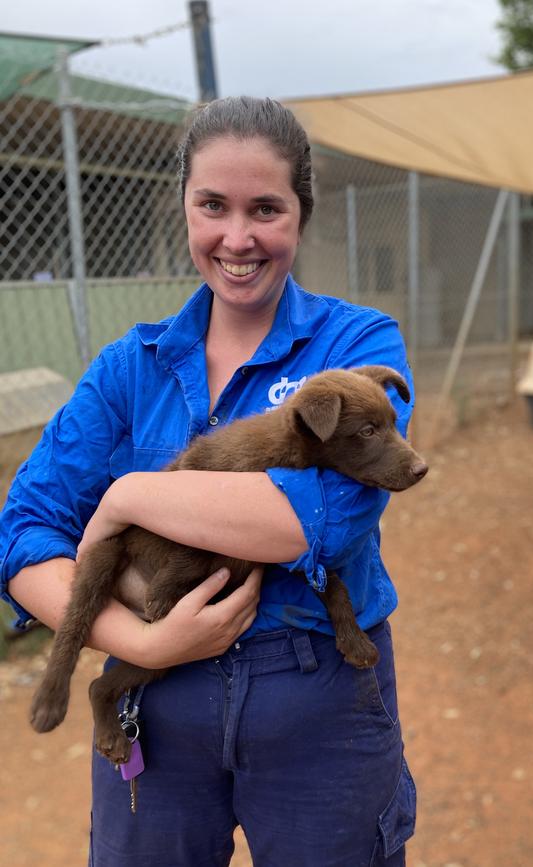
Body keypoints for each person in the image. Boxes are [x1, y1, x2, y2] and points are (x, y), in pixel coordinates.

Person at [0, 96, 416, 866]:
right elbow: (24, 534)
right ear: (185, 209)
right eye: (212, 206)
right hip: (155, 703)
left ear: (301, 214)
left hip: (316, 693)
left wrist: (128, 495)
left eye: (266, 208)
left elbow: (322, 514)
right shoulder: (132, 367)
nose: (238, 236)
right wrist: (144, 641)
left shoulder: (355, 342)